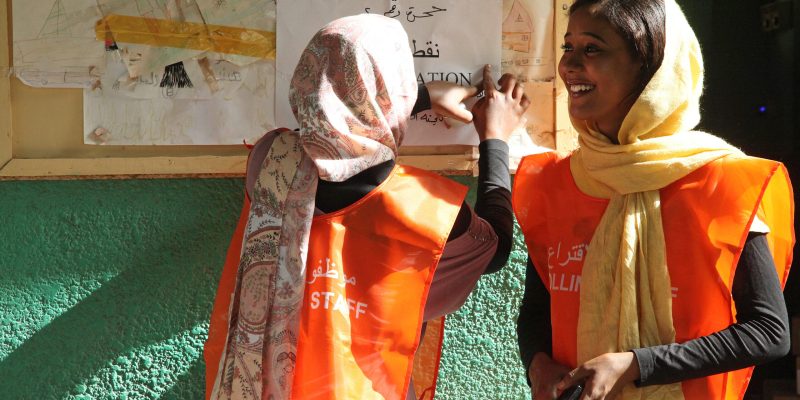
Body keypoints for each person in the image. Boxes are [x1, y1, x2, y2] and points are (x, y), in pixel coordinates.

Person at [203, 14, 530, 400]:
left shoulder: (271, 162)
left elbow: (329, 121)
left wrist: (421, 96)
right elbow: (495, 249)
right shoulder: (424, 209)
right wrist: (495, 139)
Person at [513, 0, 794, 399]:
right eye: (567, 47)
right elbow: (538, 311)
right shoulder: (560, 182)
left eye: (592, 49)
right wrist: (538, 365)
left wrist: (636, 365)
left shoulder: (721, 180)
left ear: (649, 68)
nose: (570, 65)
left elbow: (769, 332)